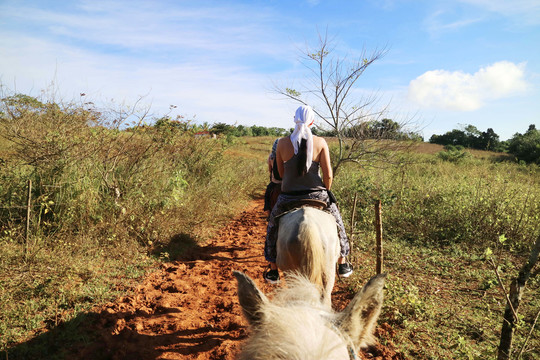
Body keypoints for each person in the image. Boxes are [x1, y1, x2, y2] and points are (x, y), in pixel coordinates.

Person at [263, 105, 353, 283]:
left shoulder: (281, 143)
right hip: (317, 195)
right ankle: (343, 262)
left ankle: (273, 269)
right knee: (338, 222)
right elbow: (328, 174)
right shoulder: (320, 142)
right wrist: (326, 190)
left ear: (294, 119)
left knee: (272, 225)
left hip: (288, 196)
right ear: (312, 121)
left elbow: (280, 174)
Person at [263, 139, 281, 217]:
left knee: (267, 194)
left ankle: (268, 211)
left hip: (275, 182)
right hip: (287, 183)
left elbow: (270, 170)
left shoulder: (271, 157)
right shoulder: (287, 154)